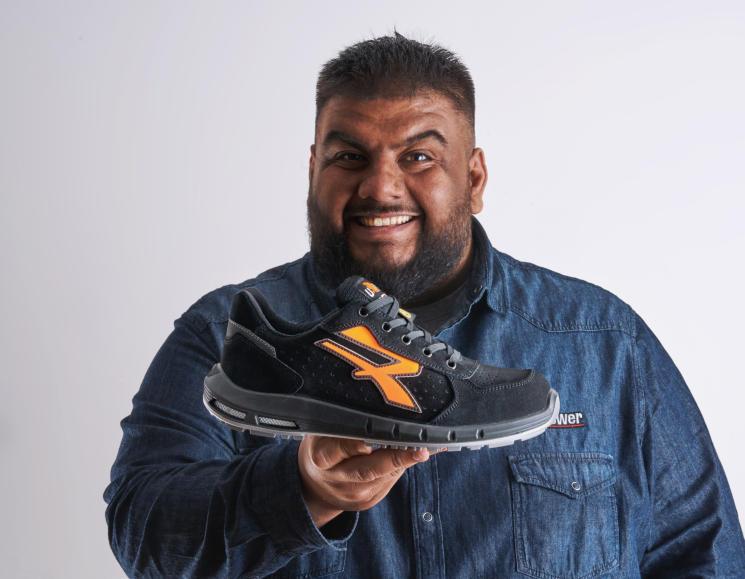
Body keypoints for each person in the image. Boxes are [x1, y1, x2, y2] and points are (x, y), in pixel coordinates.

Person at [104, 32, 745, 578]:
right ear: (313, 171)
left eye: (418, 156)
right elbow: (144, 538)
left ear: (474, 178)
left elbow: (704, 554)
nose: (381, 186)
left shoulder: (603, 342)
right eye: (349, 157)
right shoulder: (228, 338)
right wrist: (300, 488)